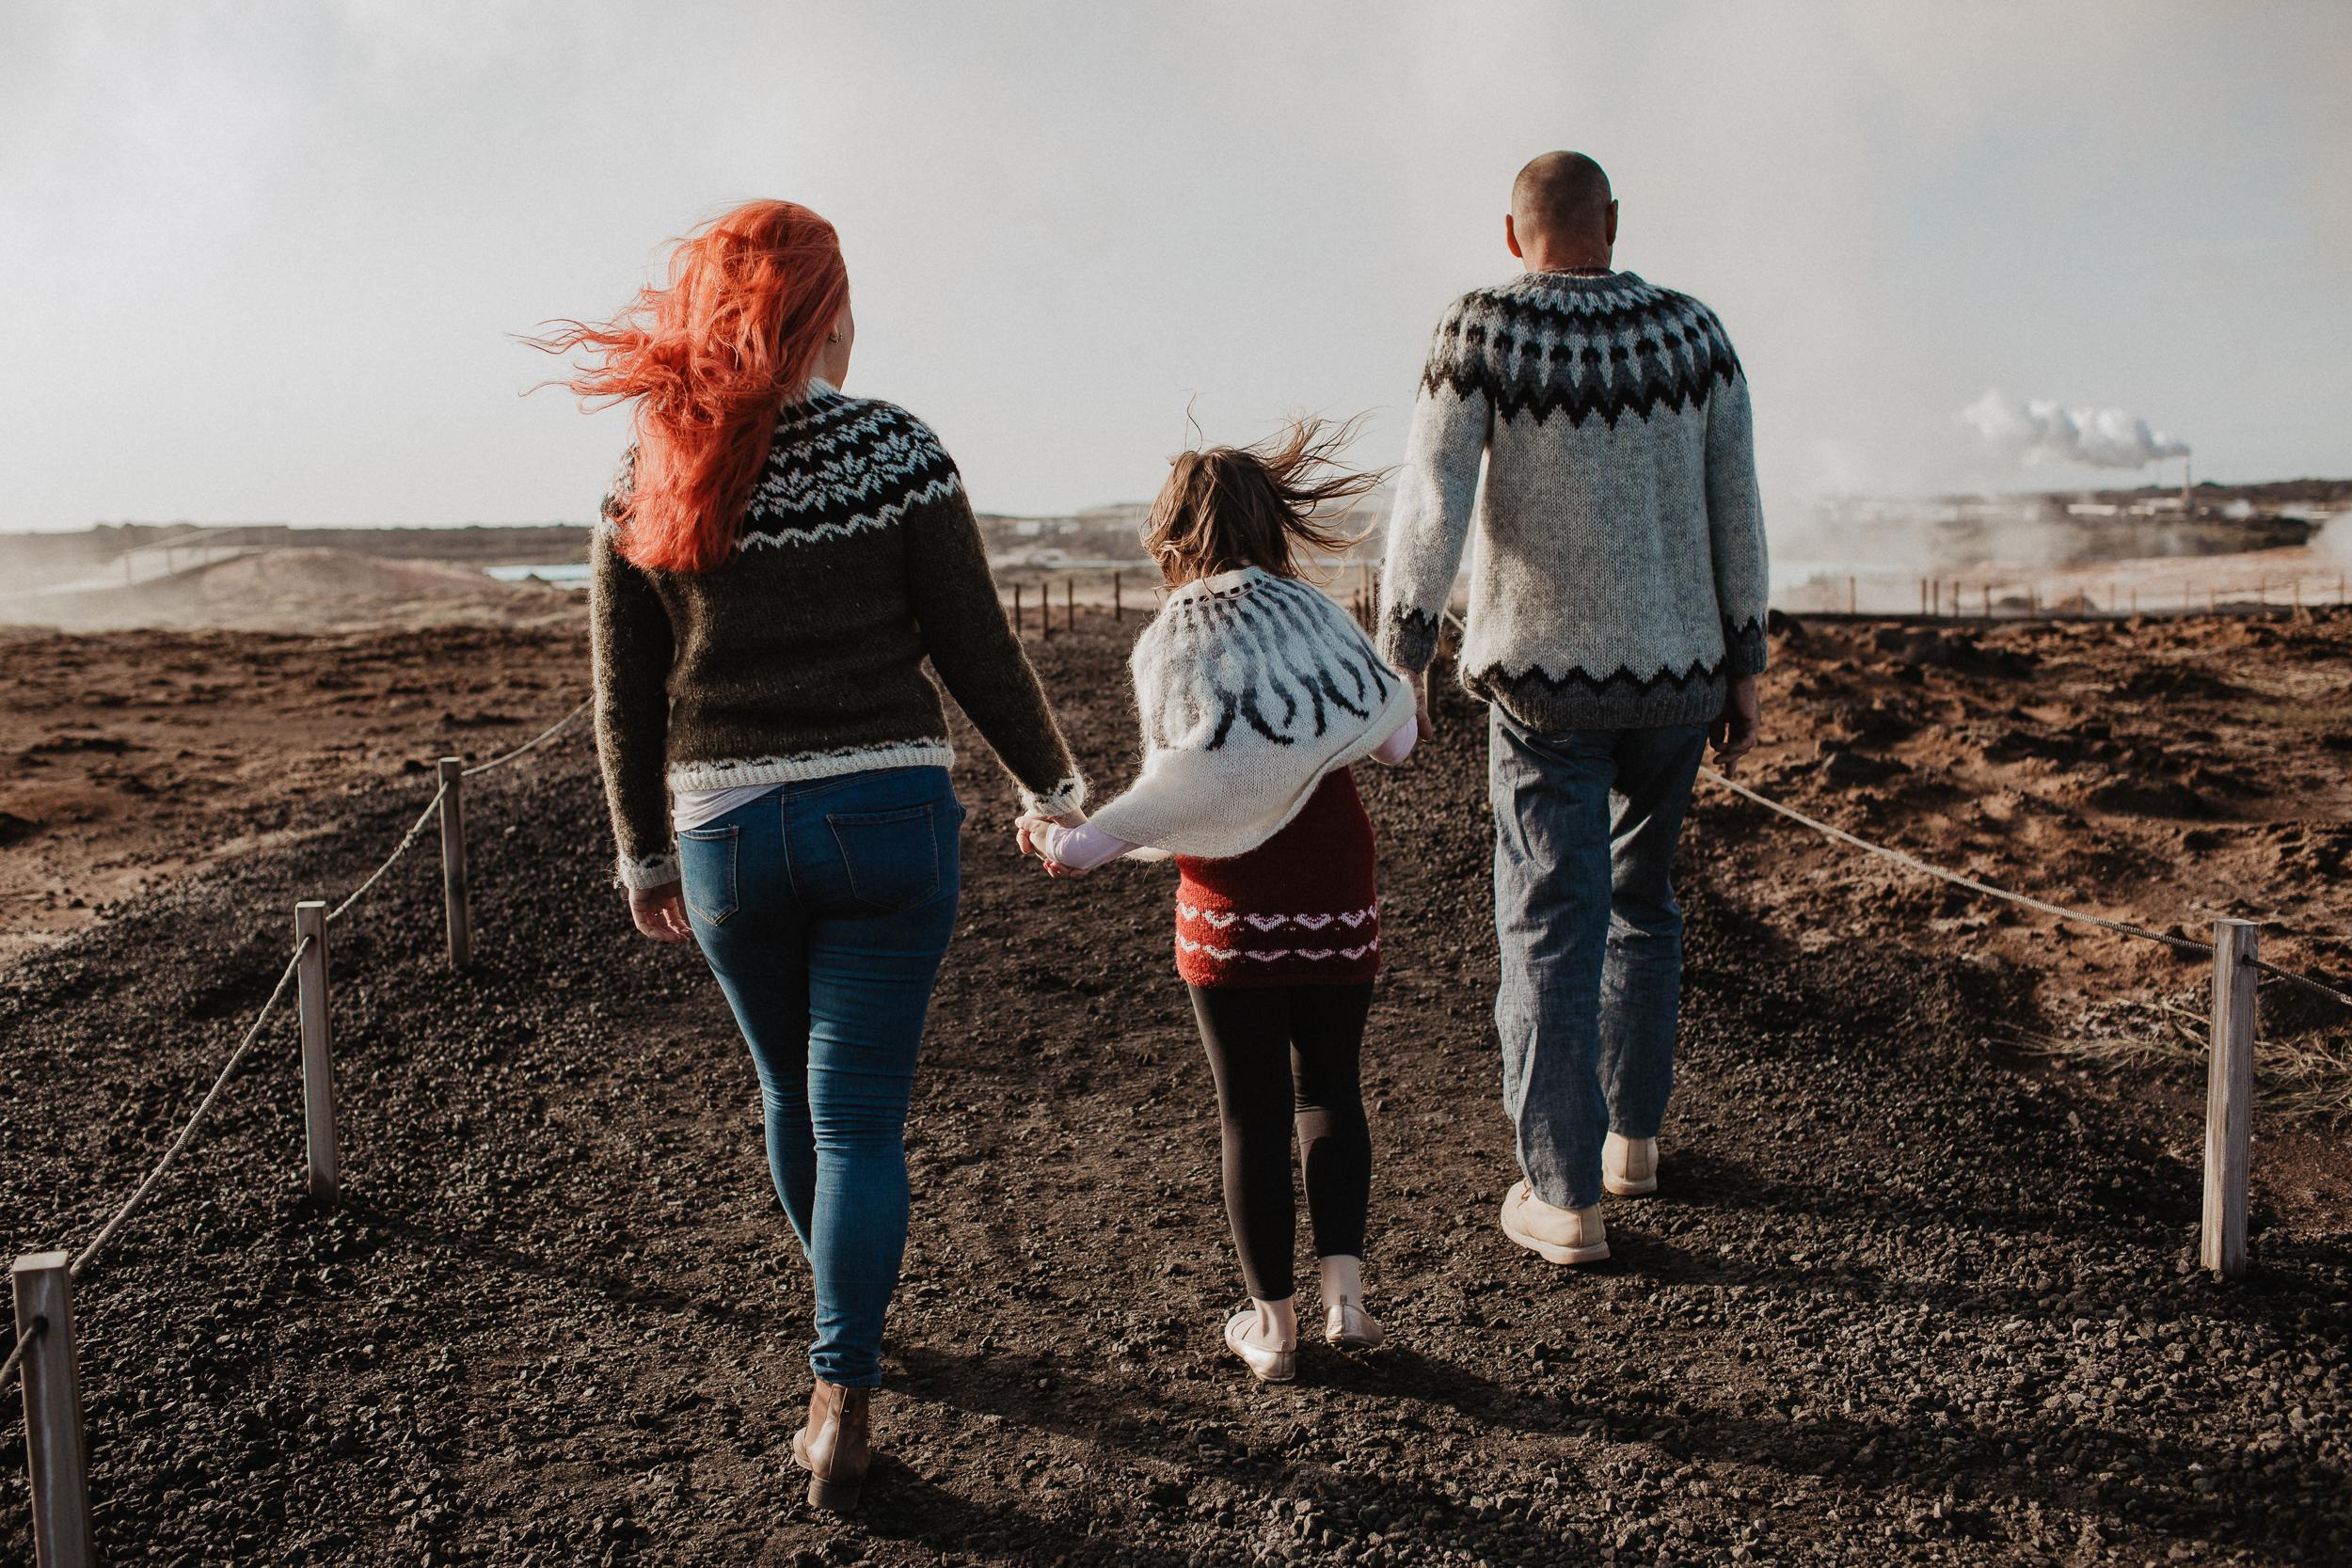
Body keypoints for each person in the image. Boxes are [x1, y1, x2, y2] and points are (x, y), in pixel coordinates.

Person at [542, 199, 1085, 1512]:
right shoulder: (897, 447)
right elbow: (974, 644)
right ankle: (841, 1384)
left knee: (795, 1097)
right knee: (862, 1121)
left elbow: (625, 693)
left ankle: (845, 1317)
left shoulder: (648, 467)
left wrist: (641, 854)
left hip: (727, 837)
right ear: (825, 308)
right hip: (887, 821)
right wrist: (1053, 782)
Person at [1375, 152, 1768, 1266]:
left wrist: (1402, 647)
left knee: (1551, 917)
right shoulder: (1695, 334)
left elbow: (1431, 494)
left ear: (1513, 235)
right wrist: (1745, 660)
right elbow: (1733, 501)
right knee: (1642, 902)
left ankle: (1563, 1194)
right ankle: (1633, 1141)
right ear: (1613, 223)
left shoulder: (1480, 330)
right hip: (1680, 681)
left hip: (1543, 687)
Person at [1016, 420, 1419, 1383]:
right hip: (1334, 881)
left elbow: (1181, 786)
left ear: (1172, 533)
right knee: (1332, 1089)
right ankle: (1347, 1306)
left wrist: (1060, 837)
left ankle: (1272, 1332)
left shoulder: (1171, 637)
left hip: (1230, 902)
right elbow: (1396, 743)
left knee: (1250, 1112)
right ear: (1272, 520)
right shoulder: (1319, 617)